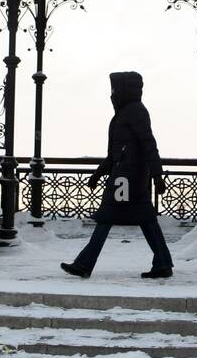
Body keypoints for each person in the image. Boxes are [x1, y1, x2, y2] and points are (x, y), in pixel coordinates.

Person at [61, 71, 174, 279]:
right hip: (129, 177)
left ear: (123, 90)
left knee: (107, 217)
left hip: (126, 179)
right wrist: (98, 174)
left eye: (114, 89)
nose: (111, 94)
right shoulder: (125, 113)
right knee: (146, 220)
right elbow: (113, 154)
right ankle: (163, 263)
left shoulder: (135, 112)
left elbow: (149, 143)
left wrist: (158, 176)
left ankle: (83, 264)